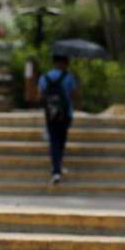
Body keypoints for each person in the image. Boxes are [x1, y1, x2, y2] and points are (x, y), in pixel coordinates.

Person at [37, 54, 79, 185]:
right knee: (61, 140)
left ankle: (56, 168)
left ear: (54, 62)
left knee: (54, 140)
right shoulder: (69, 77)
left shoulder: (45, 77)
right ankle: (57, 168)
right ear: (65, 63)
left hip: (50, 113)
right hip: (66, 114)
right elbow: (74, 94)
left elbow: (40, 95)